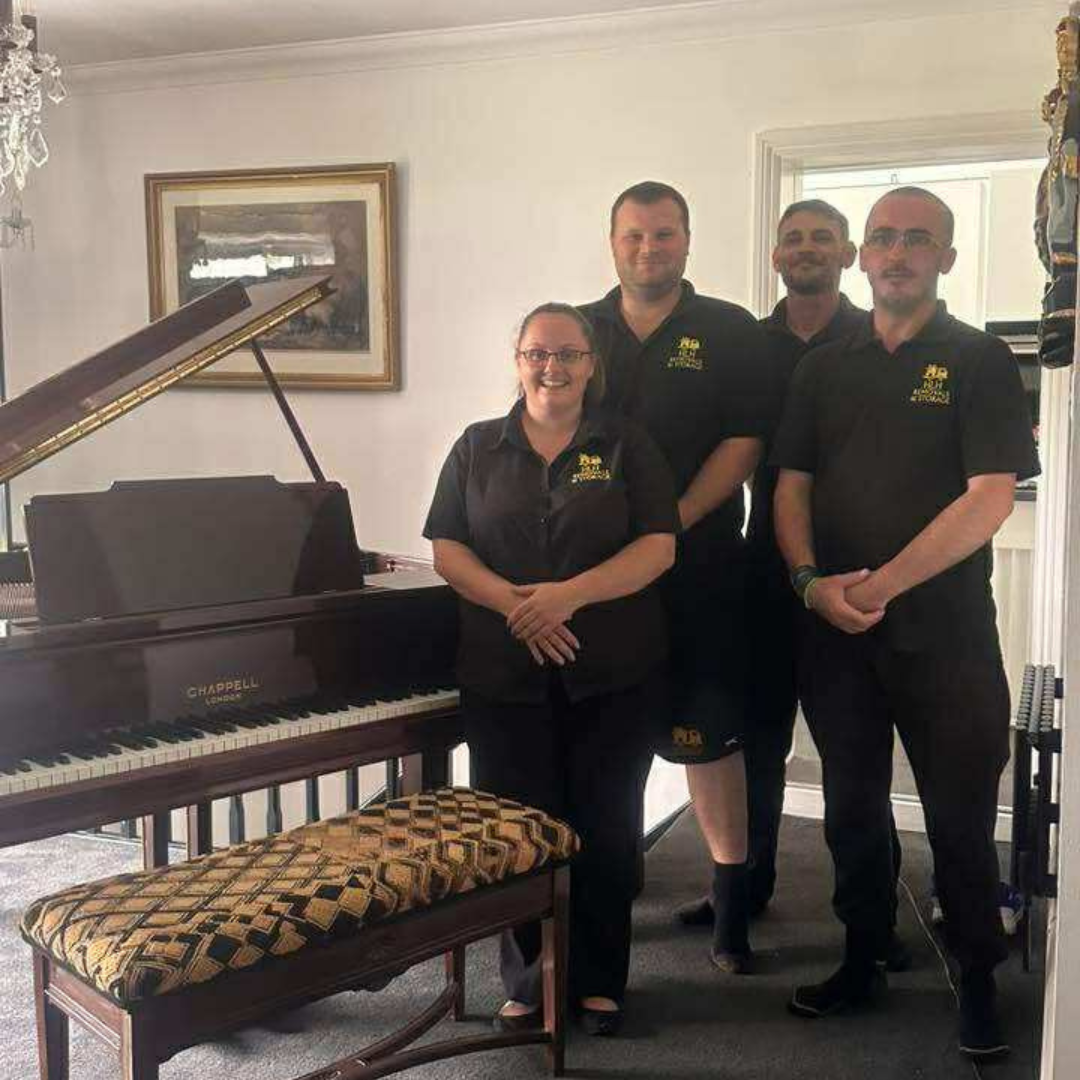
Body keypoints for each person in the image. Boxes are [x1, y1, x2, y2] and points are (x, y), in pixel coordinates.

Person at [772, 187, 1039, 1059]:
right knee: (850, 807)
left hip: (947, 637)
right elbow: (791, 487)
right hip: (835, 632)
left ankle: (977, 979)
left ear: (945, 260)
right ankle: (861, 957)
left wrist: (878, 584)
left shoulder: (978, 359)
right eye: (882, 238)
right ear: (862, 257)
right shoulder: (822, 366)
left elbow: (989, 498)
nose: (895, 253)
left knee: (960, 817)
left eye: (915, 240)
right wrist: (811, 583)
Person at [423, 302, 679, 1036]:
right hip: (503, 675)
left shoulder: (628, 443)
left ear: (591, 364)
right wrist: (516, 606)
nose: (552, 367)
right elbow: (448, 547)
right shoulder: (476, 447)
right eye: (537, 353)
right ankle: (529, 981)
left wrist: (566, 597)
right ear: (517, 359)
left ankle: (598, 981)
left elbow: (659, 547)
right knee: (516, 828)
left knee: (603, 823)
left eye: (567, 353)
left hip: (614, 673)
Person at [676, 199, 910, 971]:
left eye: (821, 238)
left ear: (847, 254)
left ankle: (870, 921)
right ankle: (745, 891)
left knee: (853, 760)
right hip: (761, 573)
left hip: (855, 576)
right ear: (776, 257)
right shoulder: (745, 342)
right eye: (792, 239)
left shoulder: (877, 335)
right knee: (756, 745)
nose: (806, 249)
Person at [580, 181, 778, 972]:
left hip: (700, 571)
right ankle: (614, 882)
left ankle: (731, 914)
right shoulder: (581, 329)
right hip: (603, 580)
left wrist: (668, 525)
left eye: (663, 235)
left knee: (708, 745)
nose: (647, 249)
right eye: (632, 235)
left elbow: (745, 444)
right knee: (612, 743)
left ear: (687, 241)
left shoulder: (728, 330)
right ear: (613, 241)